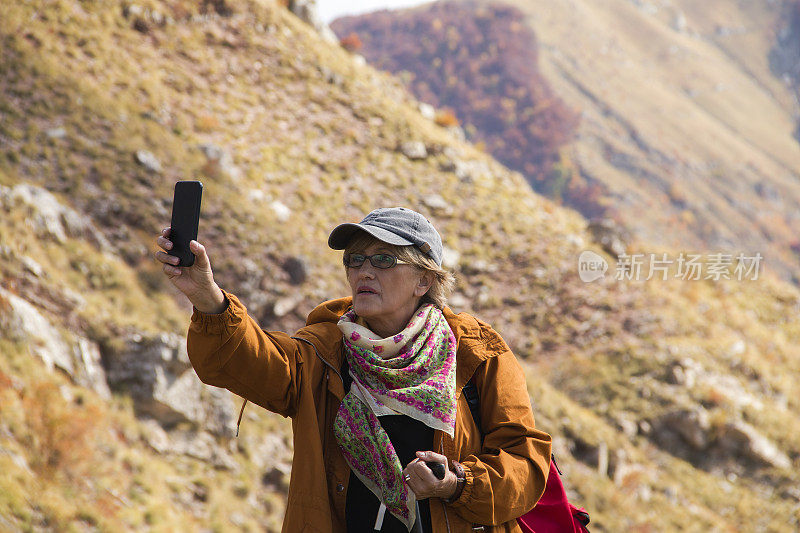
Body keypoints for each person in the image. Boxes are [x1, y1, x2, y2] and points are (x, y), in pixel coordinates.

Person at [154, 207, 552, 532]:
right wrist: (207, 296)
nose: (364, 271)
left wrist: (456, 484)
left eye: (383, 260)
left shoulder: (478, 354)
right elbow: (248, 360)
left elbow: (526, 462)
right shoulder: (323, 351)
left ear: (424, 280)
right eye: (355, 260)